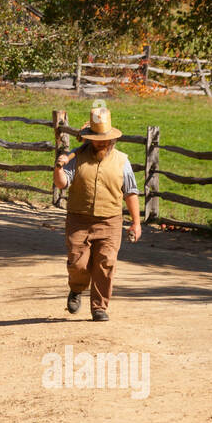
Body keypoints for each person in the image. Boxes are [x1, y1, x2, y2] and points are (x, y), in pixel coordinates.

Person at [52, 106, 142, 321]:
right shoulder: (77, 158)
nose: (101, 142)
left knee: (105, 264)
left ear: (112, 139)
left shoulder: (122, 161)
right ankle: (76, 288)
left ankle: (99, 307)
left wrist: (136, 222)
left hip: (110, 221)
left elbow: (130, 192)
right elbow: (63, 183)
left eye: (105, 139)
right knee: (77, 263)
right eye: (97, 139)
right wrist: (58, 168)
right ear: (90, 139)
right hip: (78, 219)